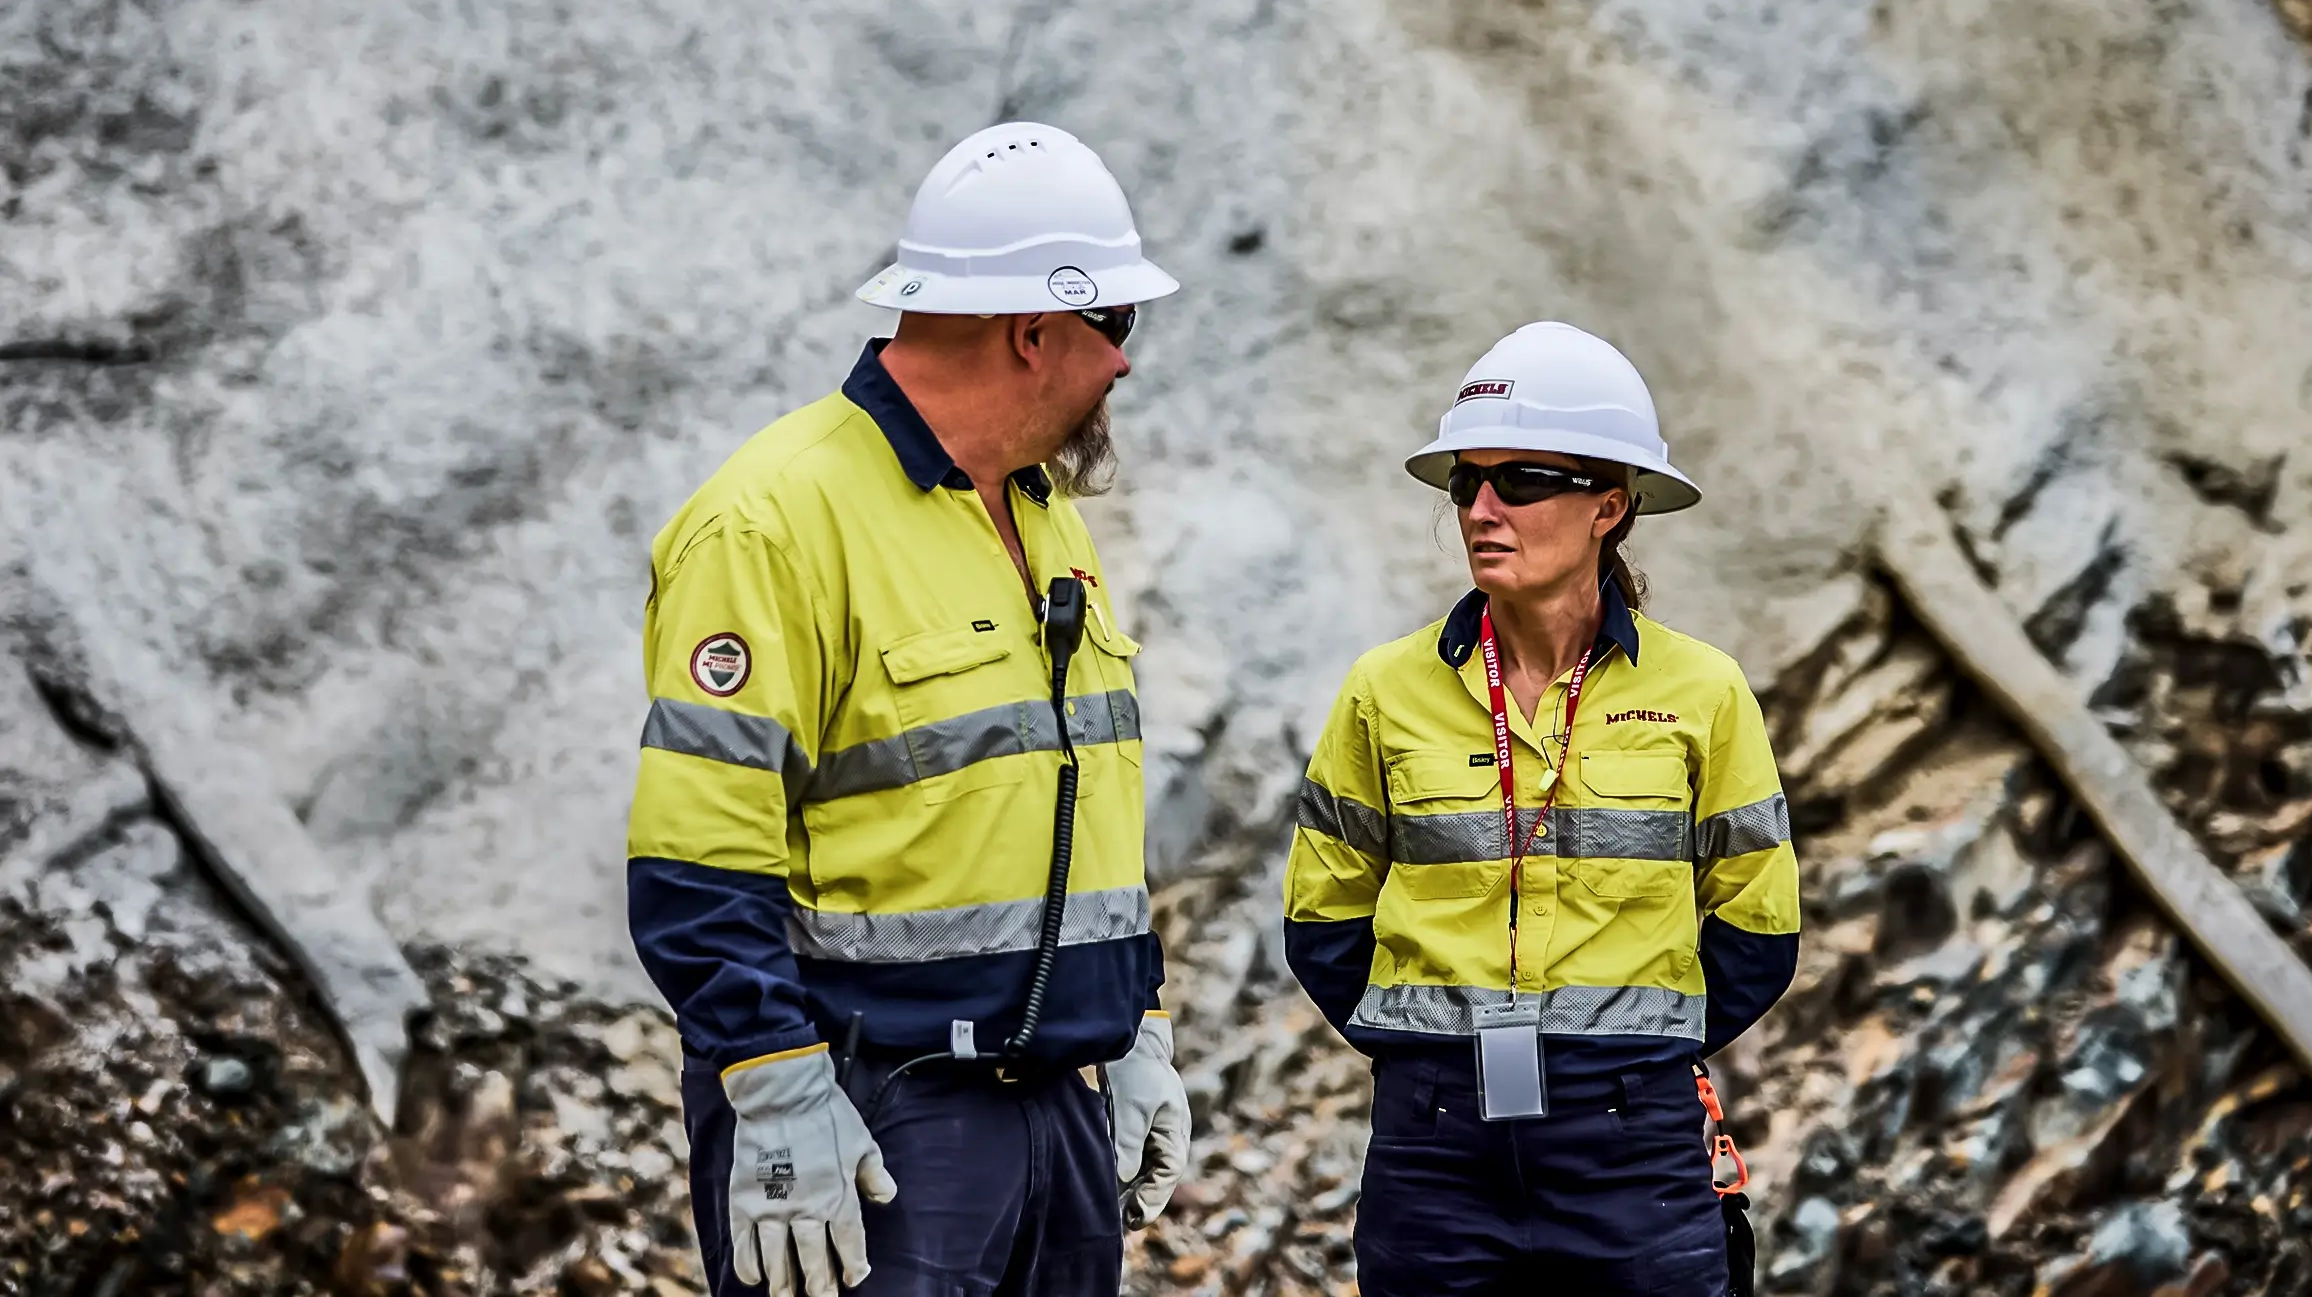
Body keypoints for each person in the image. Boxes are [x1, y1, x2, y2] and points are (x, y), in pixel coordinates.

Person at [626, 122, 1191, 1297]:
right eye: (1116, 325)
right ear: (1034, 331)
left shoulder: (1044, 519)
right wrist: (778, 1088)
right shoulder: (773, 521)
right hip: (874, 1119)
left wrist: (1131, 1021)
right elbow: (694, 858)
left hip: (1050, 1110)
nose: (1126, 365)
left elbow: (1071, 808)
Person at [1282, 321, 1801, 1295]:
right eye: (1465, 482)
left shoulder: (1706, 692)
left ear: (1608, 504)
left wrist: (1630, 1054)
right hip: (1433, 1146)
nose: (1481, 507)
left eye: (1520, 480)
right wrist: (1429, 1051)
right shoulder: (1382, 690)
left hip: (1633, 1146)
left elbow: (1760, 930)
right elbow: (1321, 919)